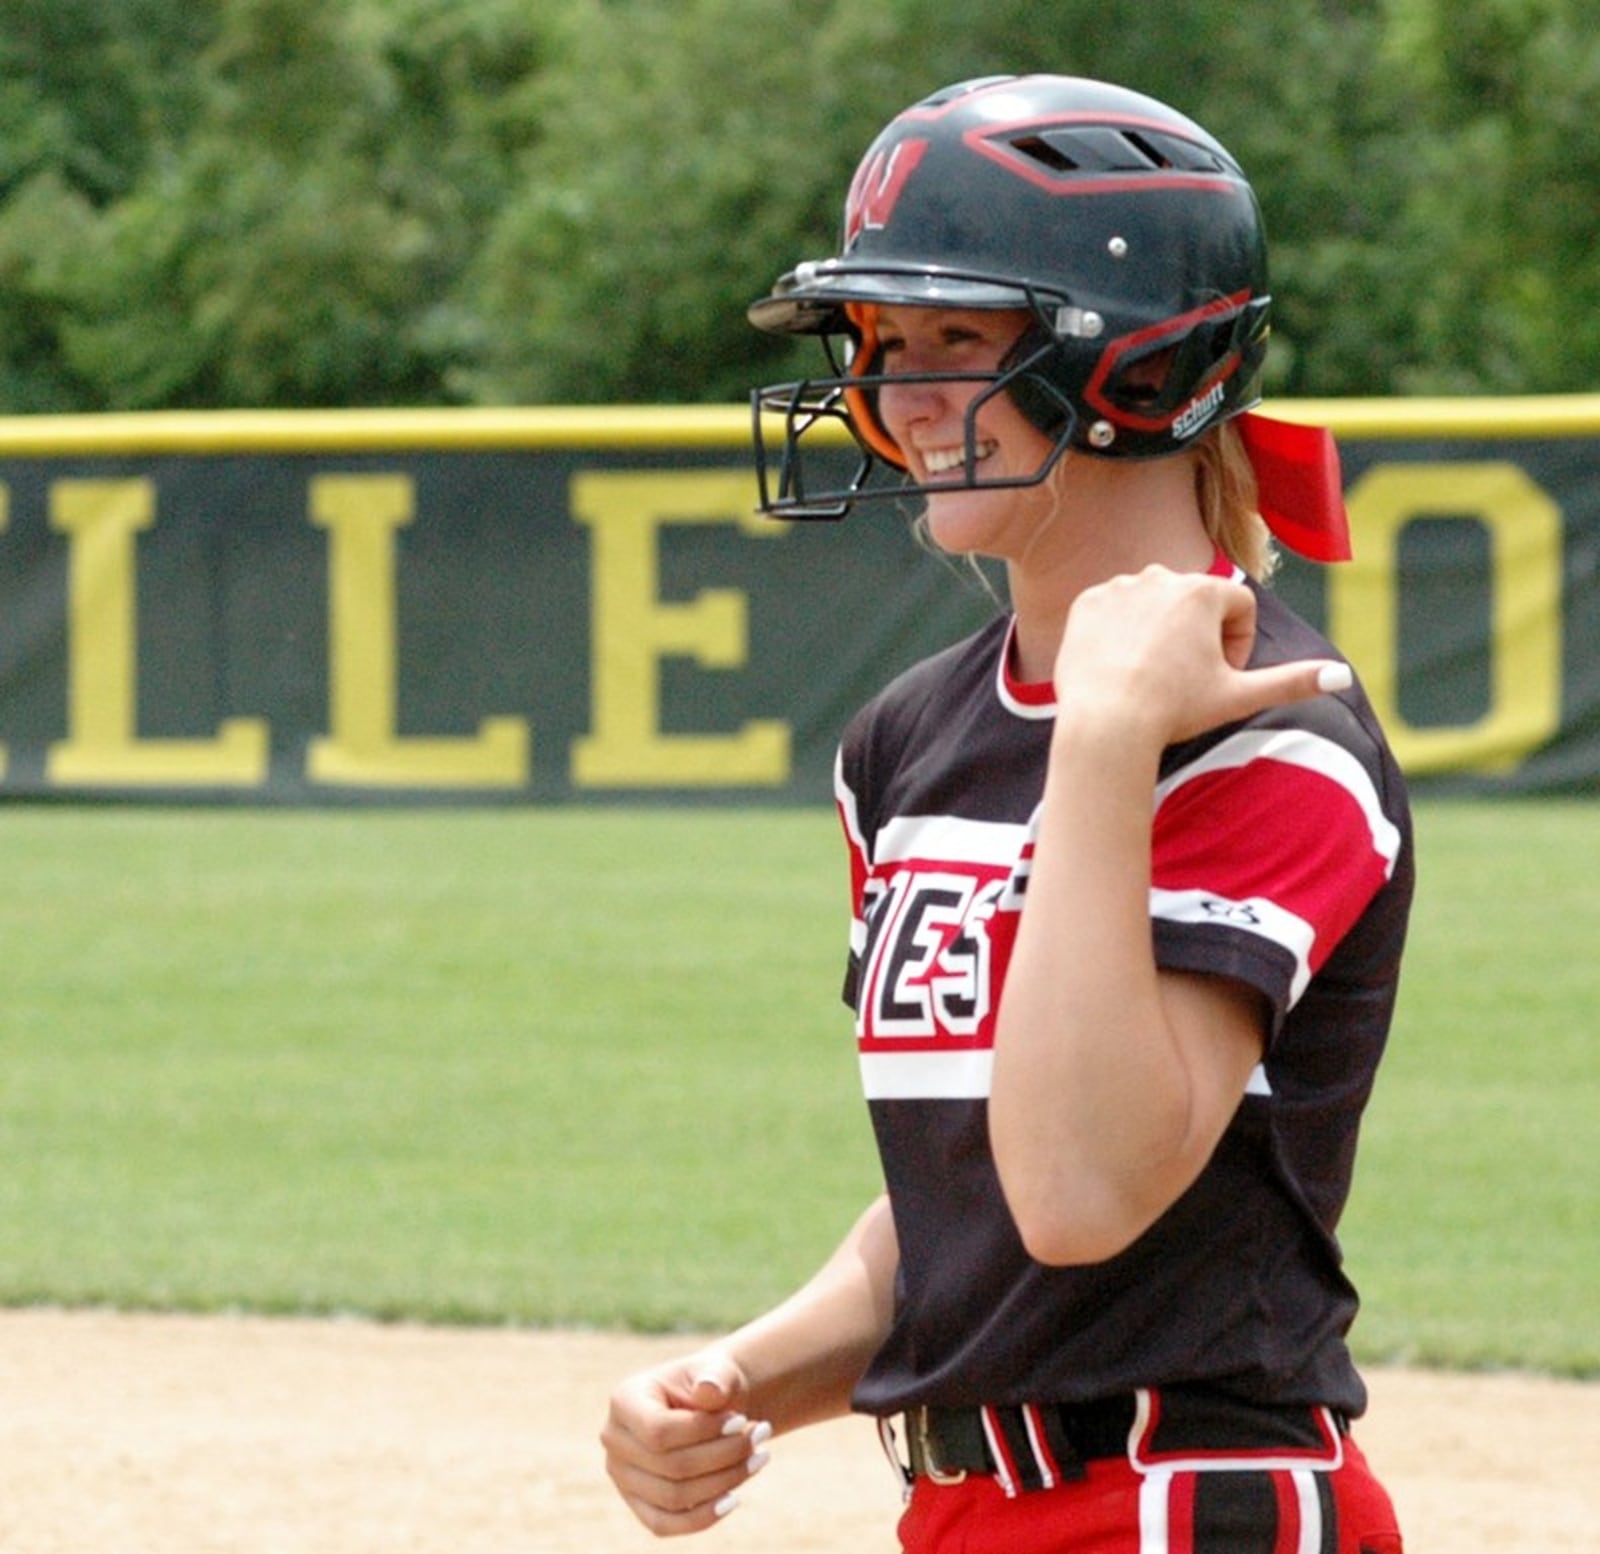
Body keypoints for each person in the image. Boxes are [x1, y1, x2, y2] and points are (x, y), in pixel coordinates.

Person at [601, 73, 1412, 1553]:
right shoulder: (908, 738)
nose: (896, 396)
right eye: (882, 343)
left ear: (1142, 369)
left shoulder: (1272, 731)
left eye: (958, 338)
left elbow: (1080, 1192)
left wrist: (1105, 740)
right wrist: (744, 1375)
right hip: (971, 1507)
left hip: (1183, 1505)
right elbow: (967, 1202)